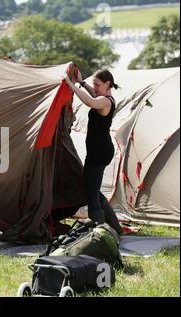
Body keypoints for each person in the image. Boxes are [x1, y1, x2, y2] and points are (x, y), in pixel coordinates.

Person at [63, 66, 123, 235]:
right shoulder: (104, 97)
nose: (94, 88)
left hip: (99, 151)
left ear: (107, 84)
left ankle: (98, 233)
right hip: (98, 150)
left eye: (97, 84)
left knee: (91, 193)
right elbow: (94, 95)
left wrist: (71, 84)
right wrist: (82, 83)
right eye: (93, 84)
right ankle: (114, 227)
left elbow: (90, 101)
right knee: (93, 189)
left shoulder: (105, 102)